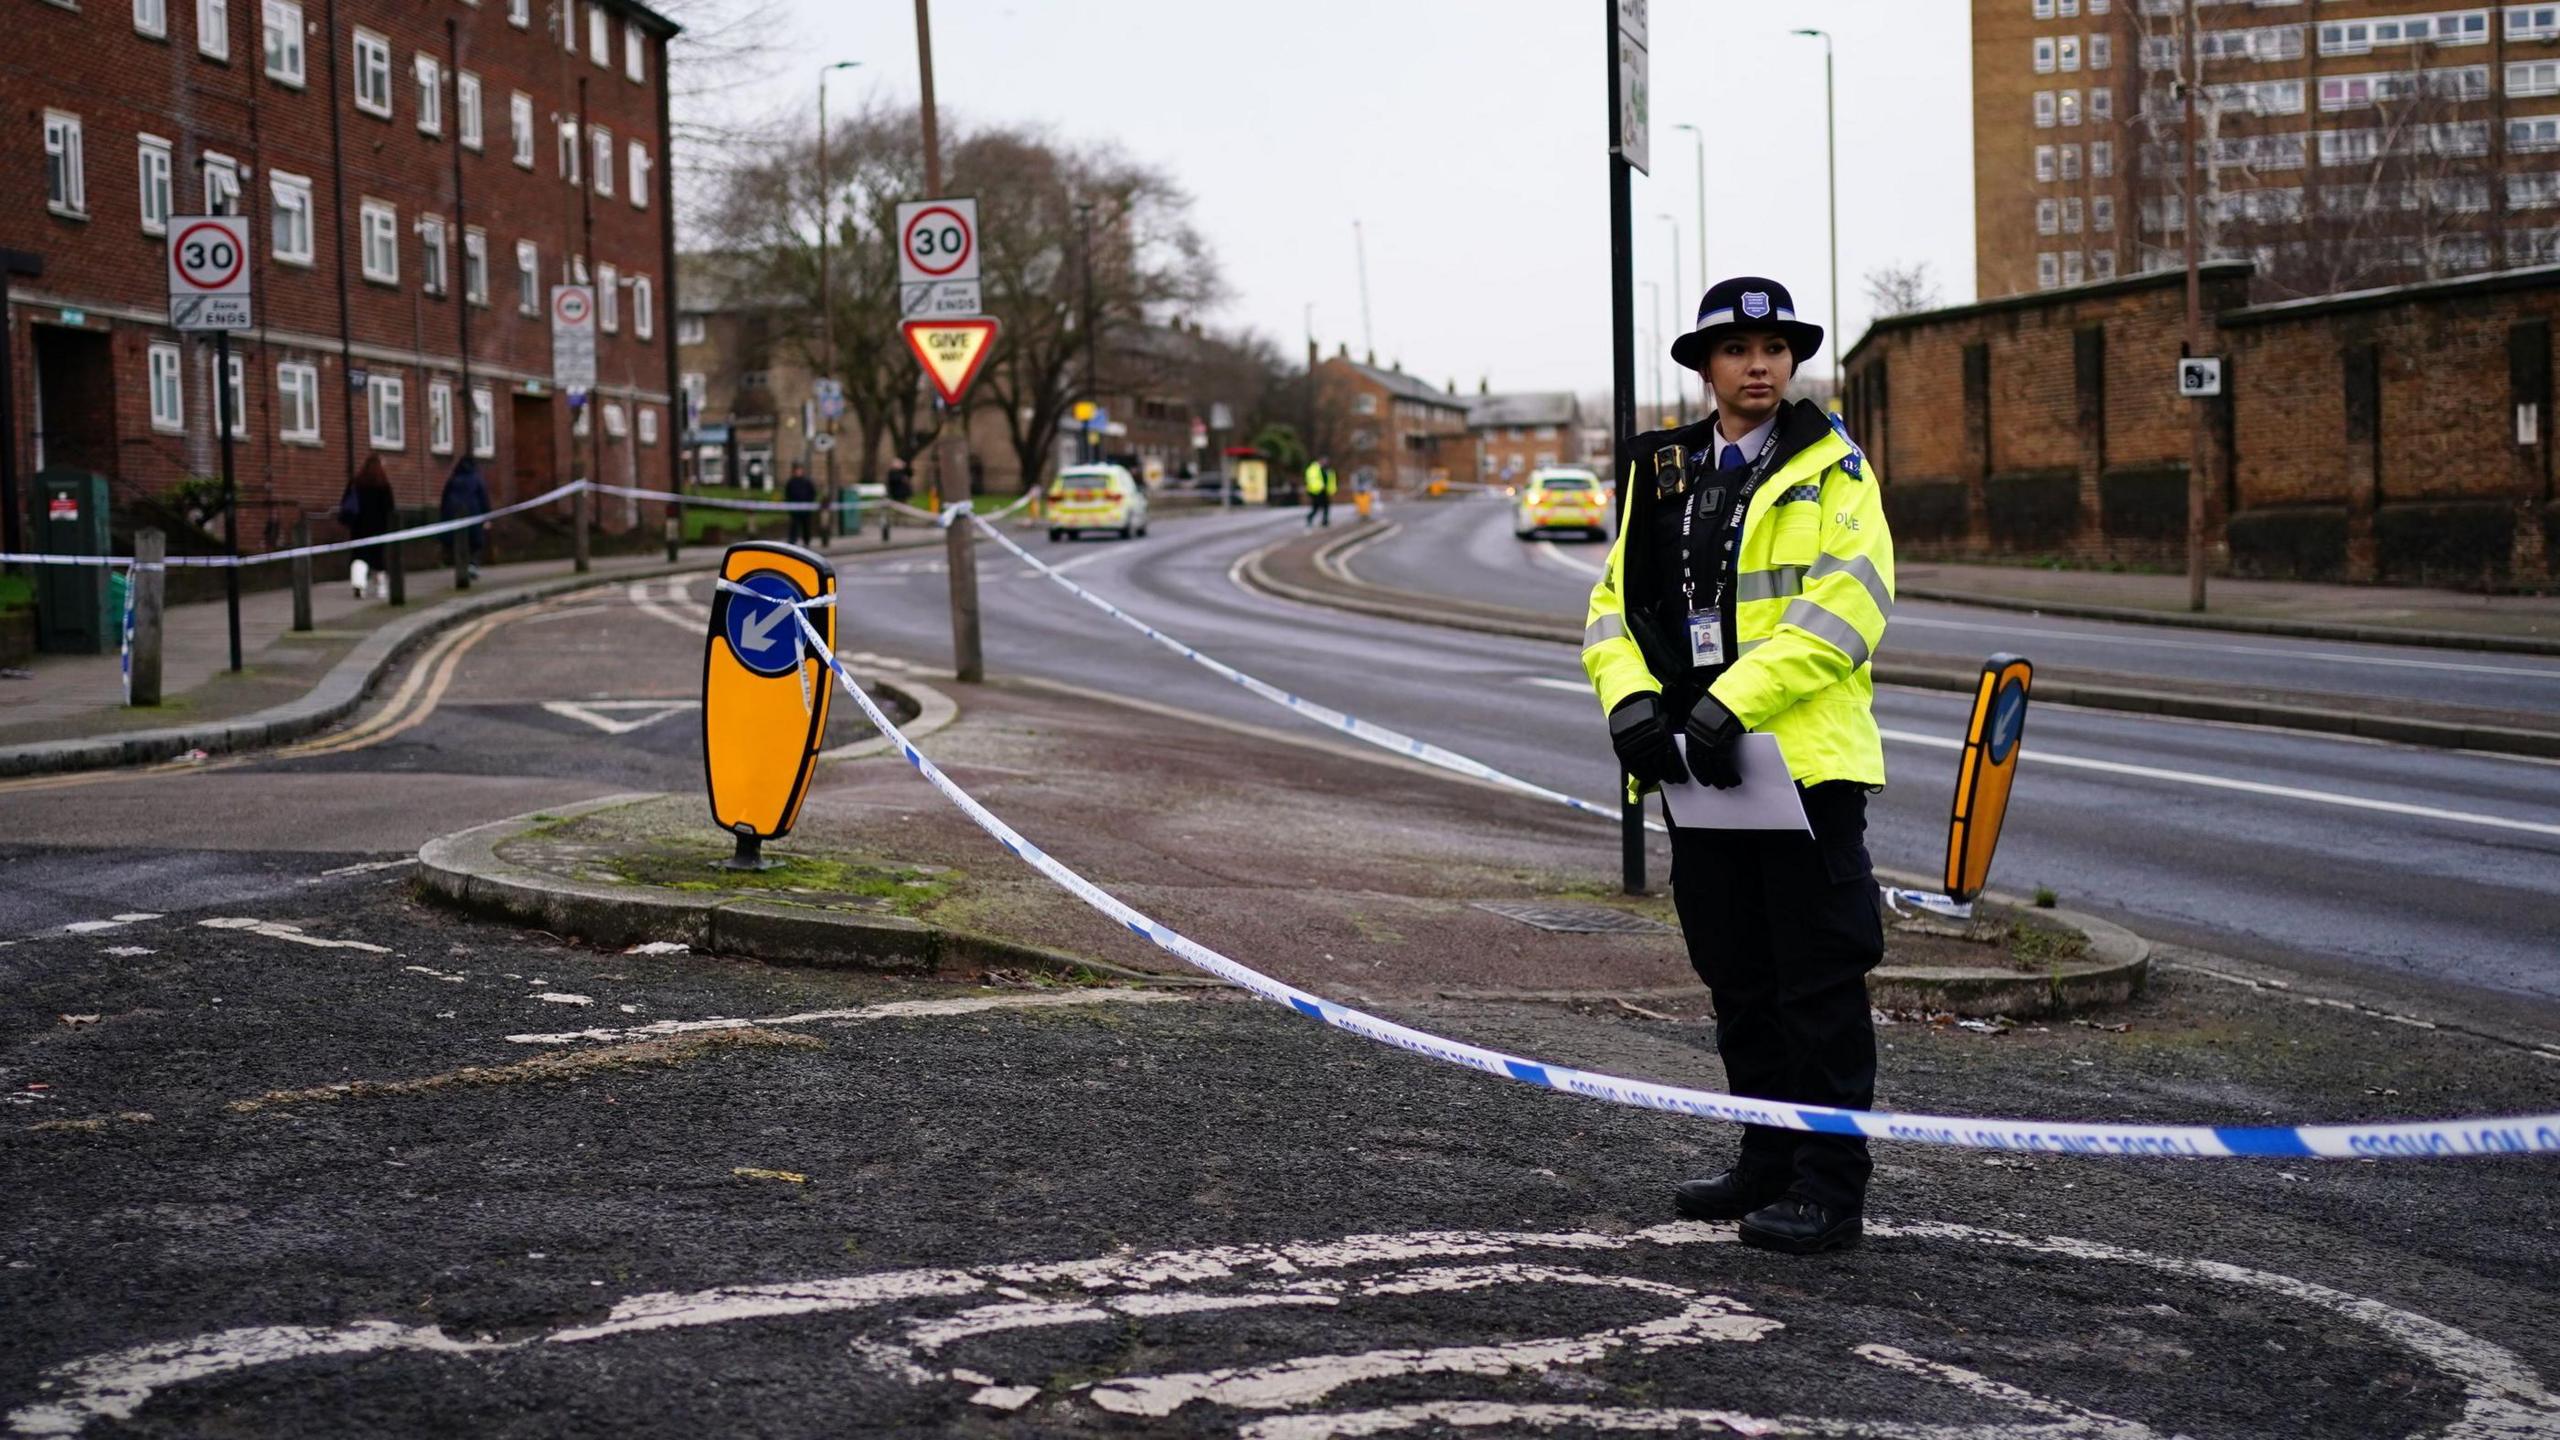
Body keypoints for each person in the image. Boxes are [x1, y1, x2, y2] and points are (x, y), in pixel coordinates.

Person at [1579, 276, 1896, 1257]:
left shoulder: (1833, 469)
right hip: (1696, 770)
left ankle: (1829, 1188)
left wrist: (1730, 705)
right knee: (1738, 980)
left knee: (1817, 984)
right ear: (1706, 366)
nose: (1758, 365)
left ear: (1790, 362)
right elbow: (1611, 610)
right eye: (1736, 349)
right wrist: (1632, 706)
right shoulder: (1663, 471)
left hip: (1801, 768)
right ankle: (1765, 1159)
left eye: (1774, 348)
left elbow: (1844, 613)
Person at [339, 455, 397, 598]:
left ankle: (359, 586)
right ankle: (381, 587)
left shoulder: (356, 483)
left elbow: (345, 502)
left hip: (358, 526)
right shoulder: (383, 485)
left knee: (359, 556)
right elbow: (390, 507)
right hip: (378, 527)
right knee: (378, 557)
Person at [439, 455, 492, 579]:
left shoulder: (453, 479)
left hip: (453, 515)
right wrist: (487, 517)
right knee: (475, 543)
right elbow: (483, 498)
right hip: (473, 515)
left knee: (458, 541)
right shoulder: (476, 479)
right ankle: (472, 565)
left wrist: (443, 517)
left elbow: (444, 499)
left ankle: (461, 566)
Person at [784, 461, 818, 547]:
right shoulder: (791, 482)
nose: (798, 472)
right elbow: (787, 494)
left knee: (806, 526)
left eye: (799, 470)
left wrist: (810, 503)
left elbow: (812, 493)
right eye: (796, 470)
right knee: (794, 525)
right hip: (795, 509)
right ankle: (792, 541)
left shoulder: (806, 482)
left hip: (806, 509)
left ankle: (806, 541)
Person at [1304, 455, 1333, 529]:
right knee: (1318, 507)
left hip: (1321, 491)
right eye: (1324, 461)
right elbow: (1312, 481)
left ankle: (1324, 521)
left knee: (1324, 506)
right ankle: (1311, 518)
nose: (1325, 462)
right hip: (1317, 491)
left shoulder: (1323, 469)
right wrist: (1319, 487)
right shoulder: (1314, 469)